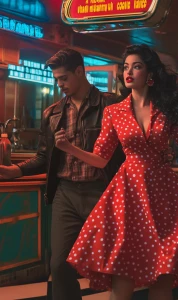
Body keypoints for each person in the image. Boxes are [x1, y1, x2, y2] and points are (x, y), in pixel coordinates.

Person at [54, 44, 178, 300]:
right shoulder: (113, 112)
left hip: (164, 195)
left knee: (163, 273)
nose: (129, 71)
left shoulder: (165, 111)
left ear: (150, 74)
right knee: (123, 273)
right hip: (127, 195)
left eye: (137, 66)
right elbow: (100, 159)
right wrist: (69, 148)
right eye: (125, 67)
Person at [0, 48, 126, 300]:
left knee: (116, 263)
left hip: (102, 191)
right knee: (58, 265)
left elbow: (125, 151)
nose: (60, 84)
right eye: (56, 79)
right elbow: (44, 157)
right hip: (66, 194)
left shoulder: (111, 104)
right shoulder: (52, 113)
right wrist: (14, 171)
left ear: (80, 72)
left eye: (64, 78)